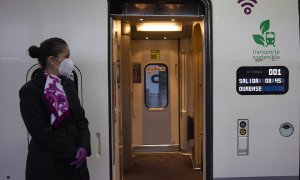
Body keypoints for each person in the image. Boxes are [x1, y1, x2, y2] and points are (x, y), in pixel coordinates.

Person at [19, 37, 91, 180]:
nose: (70, 61)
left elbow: (81, 119)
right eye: (66, 56)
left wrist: (84, 146)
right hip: (47, 164)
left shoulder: (68, 85)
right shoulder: (30, 90)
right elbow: (40, 131)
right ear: (52, 60)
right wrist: (72, 151)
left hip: (76, 164)